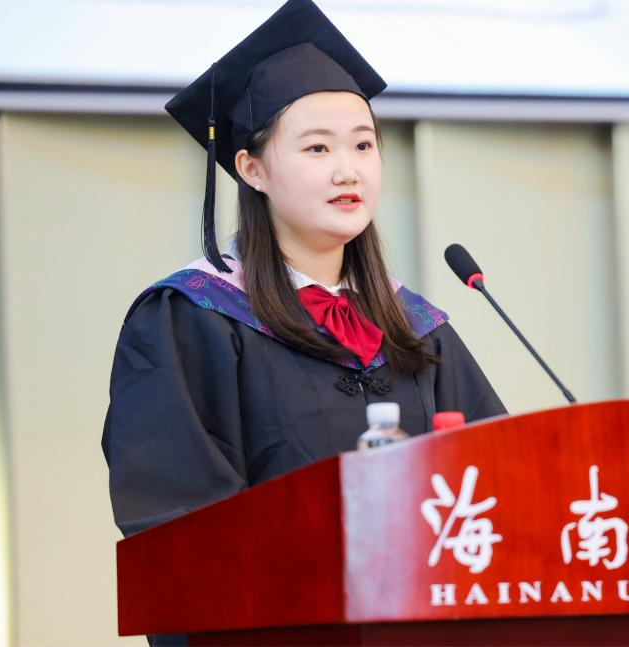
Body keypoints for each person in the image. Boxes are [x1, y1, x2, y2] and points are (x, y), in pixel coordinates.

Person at [101, 2, 505, 639]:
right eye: (317, 147)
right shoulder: (192, 319)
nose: (348, 170)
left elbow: (499, 488)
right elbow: (179, 527)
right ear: (252, 169)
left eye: (363, 145)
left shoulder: (415, 327)